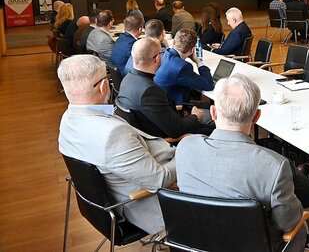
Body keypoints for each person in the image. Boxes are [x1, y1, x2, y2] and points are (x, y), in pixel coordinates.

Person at [176, 74, 309, 242]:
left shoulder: (185, 147)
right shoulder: (273, 165)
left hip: (194, 242)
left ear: (214, 112)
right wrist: (289, 193)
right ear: (257, 116)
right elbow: (288, 223)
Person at [57, 54, 176, 235]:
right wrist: (187, 154)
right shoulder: (112, 134)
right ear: (104, 86)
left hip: (102, 205)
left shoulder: (67, 120)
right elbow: (159, 180)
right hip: (146, 204)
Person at [117, 38, 210, 139]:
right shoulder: (150, 91)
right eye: (162, 53)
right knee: (214, 128)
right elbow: (177, 130)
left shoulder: (127, 79)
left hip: (154, 130)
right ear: (157, 58)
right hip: (171, 140)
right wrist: (195, 116)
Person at [154, 29, 215, 105]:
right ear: (192, 50)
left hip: (160, 101)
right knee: (208, 106)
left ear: (174, 42)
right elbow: (209, 85)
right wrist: (198, 62)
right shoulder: (182, 67)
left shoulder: (164, 53)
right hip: (174, 107)